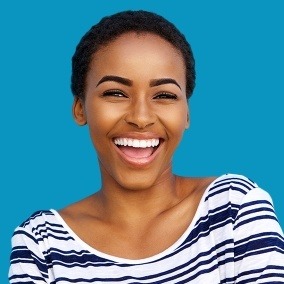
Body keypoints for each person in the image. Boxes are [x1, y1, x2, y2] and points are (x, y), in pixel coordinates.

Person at [9, 10, 284, 284]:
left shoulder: (233, 210)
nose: (141, 118)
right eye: (115, 93)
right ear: (80, 108)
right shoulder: (42, 244)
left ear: (186, 113)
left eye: (164, 95)